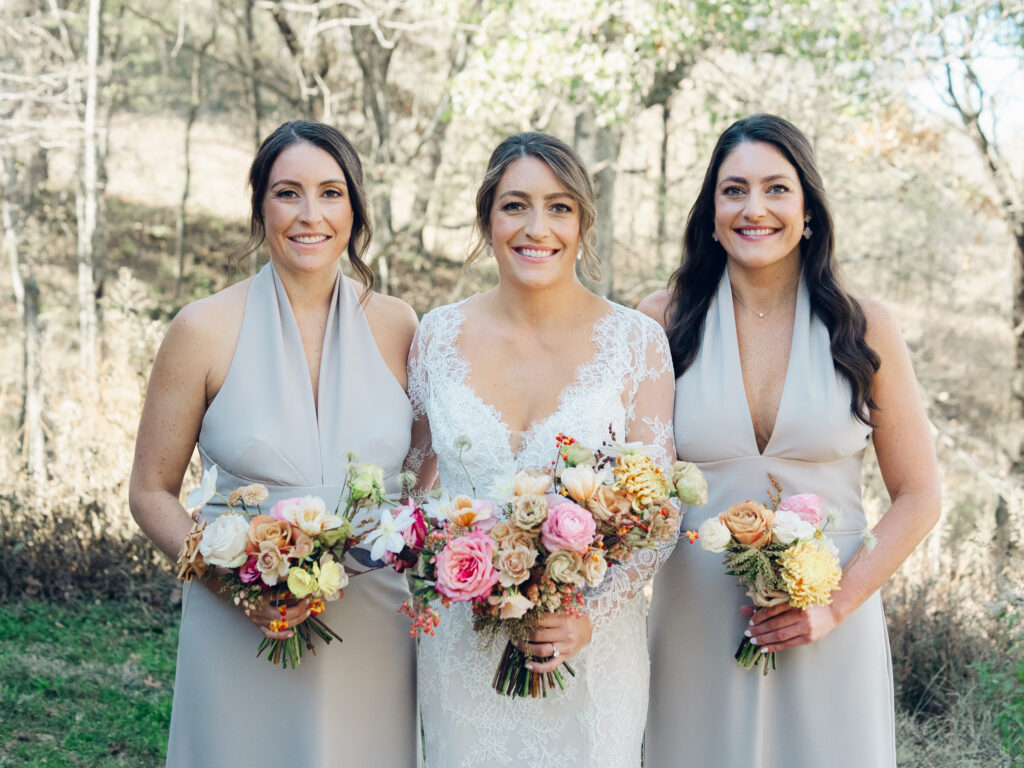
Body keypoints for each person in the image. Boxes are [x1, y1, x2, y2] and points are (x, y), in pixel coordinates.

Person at [639, 113, 941, 768]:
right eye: (734, 190)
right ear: (710, 211)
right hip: (694, 626)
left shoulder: (866, 327)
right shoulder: (659, 321)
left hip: (831, 625)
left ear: (808, 209)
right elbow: (632, 492)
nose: (755, 209)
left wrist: (835, 607)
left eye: (777, 189)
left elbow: (919, 496)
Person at [129, 120, 419, 767]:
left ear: (355, 208)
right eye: (288, 193)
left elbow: (424, 478)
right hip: (237, 620)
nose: (310, 214)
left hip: (370, 622)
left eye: (331, 193)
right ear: (261, 206)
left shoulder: (400, 326)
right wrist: (233, 587)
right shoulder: (201, 329)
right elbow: (150, 491)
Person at [406, 131, 676, 766]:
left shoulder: (636, 343)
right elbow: (410, 488)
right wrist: (450, 564)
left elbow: (659, 514)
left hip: (592, 647)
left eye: (559, 207)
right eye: (514, 205)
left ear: (583, 223)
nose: (537, 227)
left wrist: (589, 612)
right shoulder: (435, 338)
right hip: (464, 646)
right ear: (486, 219)